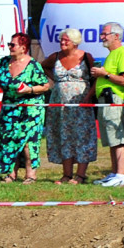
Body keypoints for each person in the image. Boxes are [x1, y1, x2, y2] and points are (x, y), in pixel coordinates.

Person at [0, 33, 51, 183]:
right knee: (9, 139)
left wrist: (29, 90)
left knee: (28, 142)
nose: (10, 47)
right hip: (10, 107)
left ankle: (31, 175)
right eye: (9, 44)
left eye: (13, 45)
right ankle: (11, 174)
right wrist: (3, 86)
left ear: (23, 47)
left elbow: (45, 86)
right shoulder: (5, 63)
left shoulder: (33, 65)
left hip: (31, 108)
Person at [42, 29, 96, 184]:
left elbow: (96, 78)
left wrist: (88, 96)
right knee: (64, 136)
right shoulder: (56, 57)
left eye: (66, 40)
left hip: (80, 103)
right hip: (59, 104)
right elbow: (43, 66)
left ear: (75, 42)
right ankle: (66, 174)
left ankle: (80, 175)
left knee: (82, 136)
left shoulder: (86, 57)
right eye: (61, 40)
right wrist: (56, 81)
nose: (62, 43)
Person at [90, 22, 124, 186]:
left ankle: (121, 175)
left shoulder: (123, 53)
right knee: (110, 138)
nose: (102, 37)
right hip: (105, 100)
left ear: (116, 36)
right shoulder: (112, 54)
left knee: (117, 137)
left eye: (105, 34)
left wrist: (104, 74)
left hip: (114, 100)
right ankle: (115, 173)